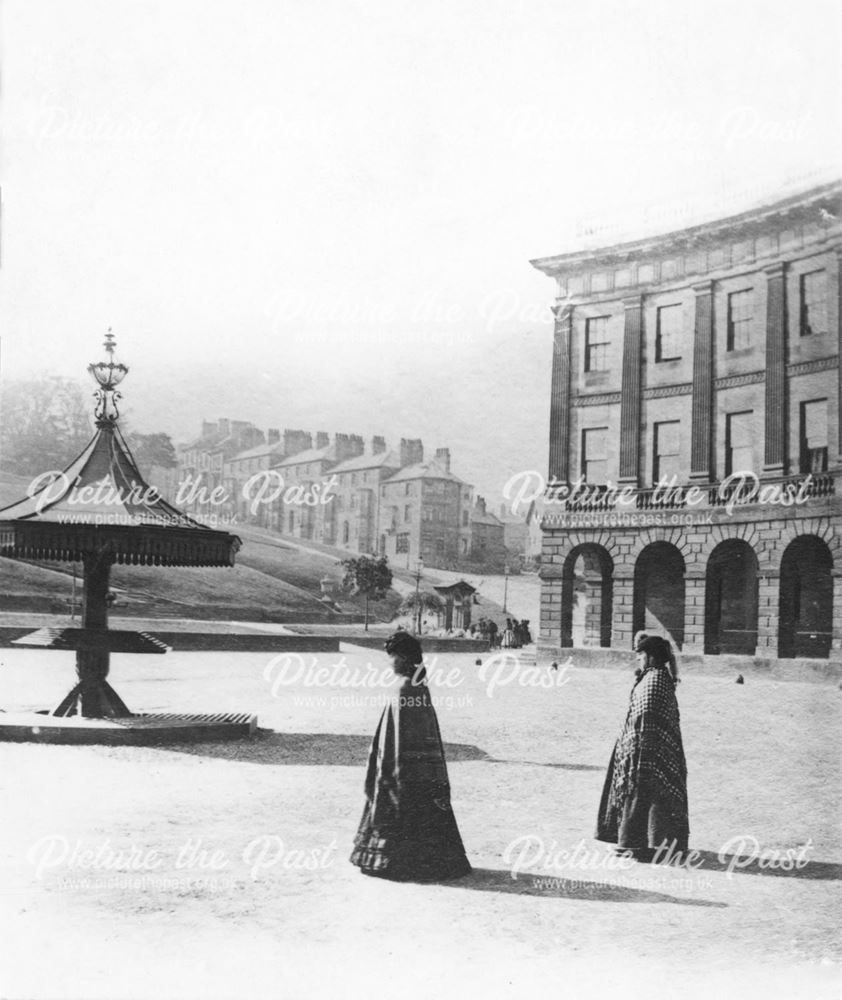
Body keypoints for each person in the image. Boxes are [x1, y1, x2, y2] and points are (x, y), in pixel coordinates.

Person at [350, 630, 471, 881]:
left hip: (401, 768)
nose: (390, 662)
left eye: (392, 657)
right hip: (419, 769)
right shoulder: (417, 686)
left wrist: (386, 765)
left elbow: (397, 736)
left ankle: (397, 861)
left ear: (404, 658)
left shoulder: (406, 689)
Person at [595, 633, 689, 862]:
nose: (638, 659)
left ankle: (642, 845)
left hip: (648, 750)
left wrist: (638, 747)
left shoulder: (655, 680)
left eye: (641, 655)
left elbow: (648, 716)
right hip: (643, 747)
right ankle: (642, 843)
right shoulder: (653, 677)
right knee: (642, 796)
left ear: (652, 656)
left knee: (645, 795)